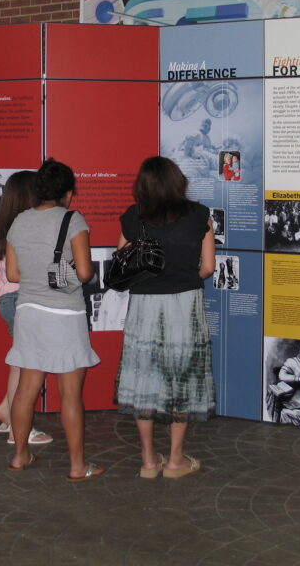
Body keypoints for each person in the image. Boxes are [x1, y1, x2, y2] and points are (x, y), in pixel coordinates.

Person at [115, 156, 215, 479]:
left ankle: (147, 460)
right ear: (177, 181)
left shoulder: (134, 217)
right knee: (183, 377)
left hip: (145, 305)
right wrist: (184, 277)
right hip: (186, 305)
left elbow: (122, 261)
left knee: (144, 378)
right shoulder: (199, 215)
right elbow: (209, 268)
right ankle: (175, 460)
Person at [5, 158, 104, 480]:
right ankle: (77, 466)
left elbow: (13, 273)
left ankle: (20, 456)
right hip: (65, 314)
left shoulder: (18, 222)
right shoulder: (73, 221)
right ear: (68, 193)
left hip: (28, 312)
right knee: (71, 394)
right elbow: (86, 271)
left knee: (26, 389)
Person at [0, 171, 53, 448]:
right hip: (23, 300)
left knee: (20, 362)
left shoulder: (0, 225)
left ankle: (6, 410)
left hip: (5, 300)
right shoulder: (27, 227)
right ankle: (19, 429)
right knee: (26, 368)